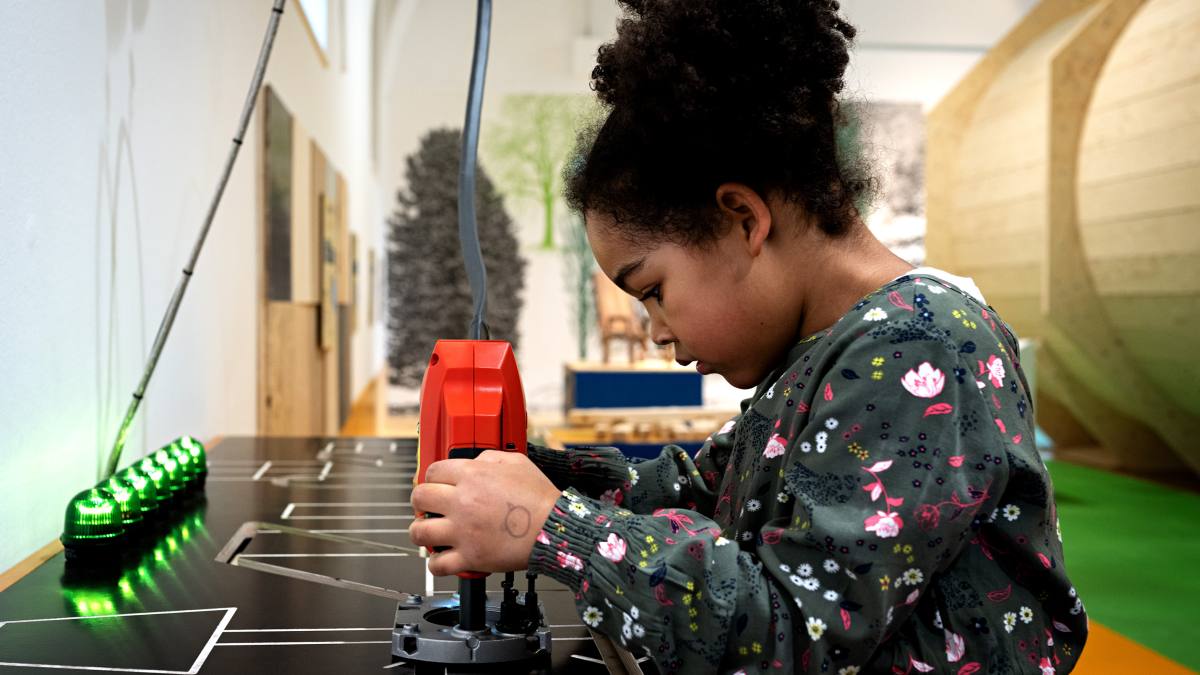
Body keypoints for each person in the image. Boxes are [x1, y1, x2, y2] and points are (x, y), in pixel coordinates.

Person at [407, 1, 1087, 672]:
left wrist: (552, 528)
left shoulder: (918, 348)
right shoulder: (826, 354)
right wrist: (528, 472)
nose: (656, 333)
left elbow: (795, 632)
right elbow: (697, 490)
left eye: (653, 290)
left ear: (741, 219)